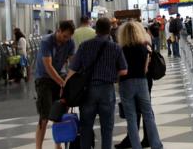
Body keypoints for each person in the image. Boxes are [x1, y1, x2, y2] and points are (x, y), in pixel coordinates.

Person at [67, 17, 128, 149]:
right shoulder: (115, 48)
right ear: (110, 29)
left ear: (96, 29)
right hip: (107, 91)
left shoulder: (85, 46)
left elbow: (72, 69)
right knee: (107, 128)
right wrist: (112, 75)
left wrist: (65, 87)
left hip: (87, 91)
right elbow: (124, 71)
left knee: (86, 128)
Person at [117, 21, 163, 149]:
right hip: (142, 82)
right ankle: (156, 144)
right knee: (148, 114)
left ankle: (136, 146)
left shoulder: (121, 50)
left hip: (126, 83)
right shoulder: (144, 48)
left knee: (131, 117)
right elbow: (145, 70)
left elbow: (119, 71)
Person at [34, 20, 76, 149]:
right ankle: (38, 147)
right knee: (44, 117)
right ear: (58, 30)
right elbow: (48, 66)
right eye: (64, 36)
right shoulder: (46, 42)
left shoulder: (70, 43)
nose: (66, 39)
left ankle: (58, 145)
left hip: (60, 77)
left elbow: (72, 64)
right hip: (44, 80)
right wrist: (63, 83)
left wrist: (70, 81)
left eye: (69, 37)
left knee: (59, 114)